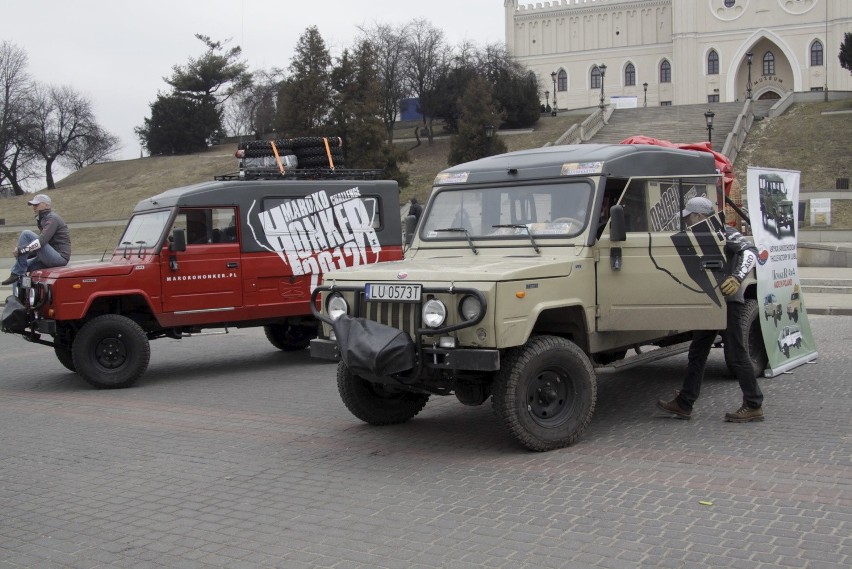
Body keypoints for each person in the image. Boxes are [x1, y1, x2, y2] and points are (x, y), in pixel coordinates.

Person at [656, 196, 765, 422]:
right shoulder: (701, 234)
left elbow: (750, 252)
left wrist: (737, 277)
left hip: (728, 302)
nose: (687, 221)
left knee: (736, 354)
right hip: (711, 302)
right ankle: (684, 403)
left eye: (689, 217)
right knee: (697, 353)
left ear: (699, 216)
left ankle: (754, 404)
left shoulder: (725, 232)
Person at [2, 194, 72, 285]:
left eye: (36, 205)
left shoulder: (52, 218)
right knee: (17, 269)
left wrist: (21, 250)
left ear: (47, 205)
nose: (34, 207)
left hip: (59, 257)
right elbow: (43, 246)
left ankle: (17, 273)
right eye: (33, 205)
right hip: (50, 256)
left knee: (26, 233)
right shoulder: (43, 219)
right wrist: (25, 253)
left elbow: (41, 242)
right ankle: (18, 297)